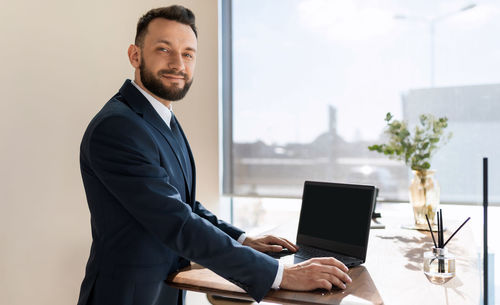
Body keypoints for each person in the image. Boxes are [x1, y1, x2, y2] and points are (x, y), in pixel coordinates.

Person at [77, 5, 351, 305]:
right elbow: (177, 221)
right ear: (135, 55)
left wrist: (244, 239)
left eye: (188, 53)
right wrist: (281, 275)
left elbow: (185, 204)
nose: (177, 63)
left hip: (164, 289)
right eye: (164, 49)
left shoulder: (160, 116)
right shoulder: (118, 127)